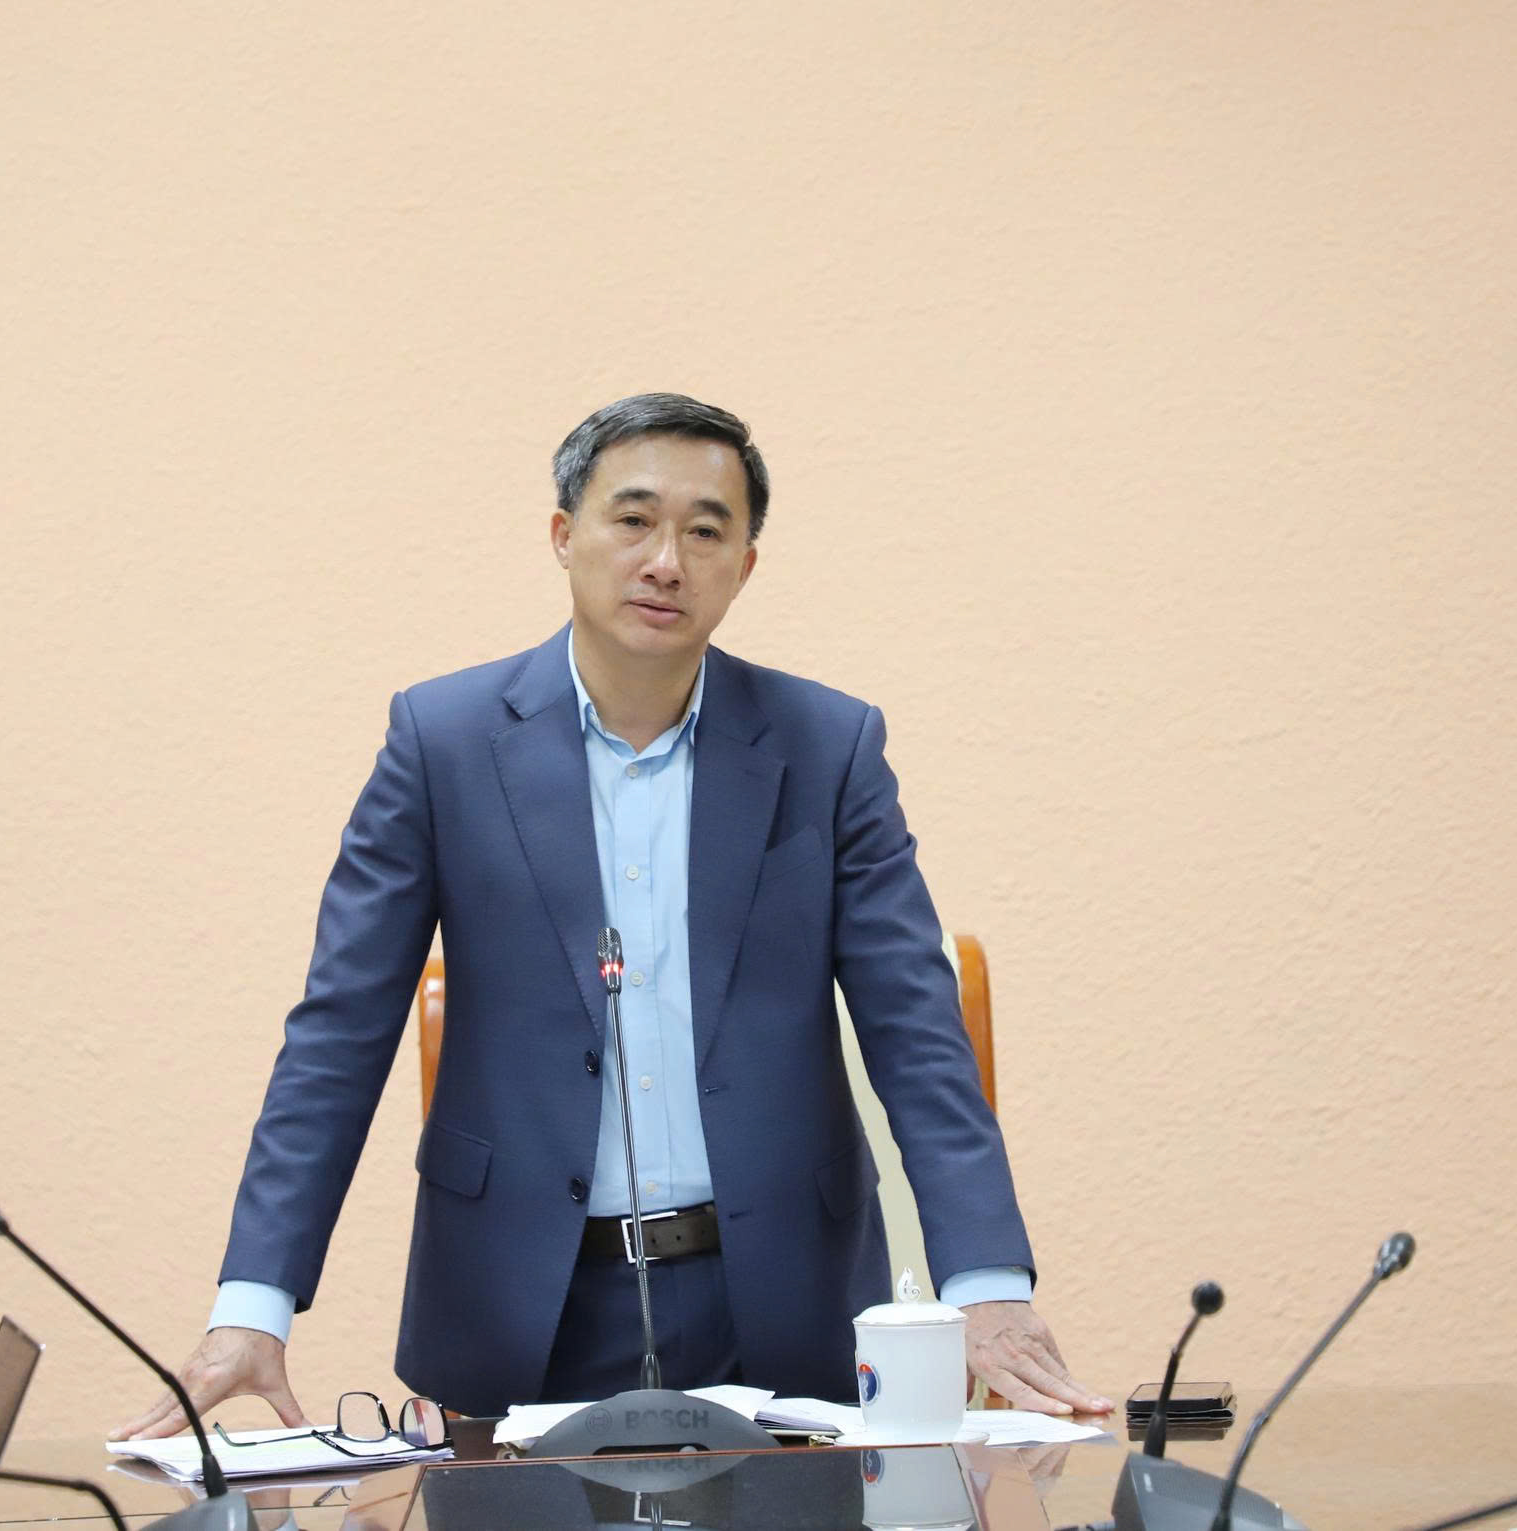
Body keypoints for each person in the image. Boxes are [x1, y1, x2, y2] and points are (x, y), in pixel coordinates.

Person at [114, 394, 1109, 1434]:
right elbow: (339, 1033)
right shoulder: (442, 743)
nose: (665, 562)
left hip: (781, 1301)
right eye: (633, 519)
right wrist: (253, 1306)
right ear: (563, 534)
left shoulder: (826, 747)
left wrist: (986, 1280)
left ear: (745, 566)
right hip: (519, 1305)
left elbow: (915, 1027)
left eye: (706, 531)